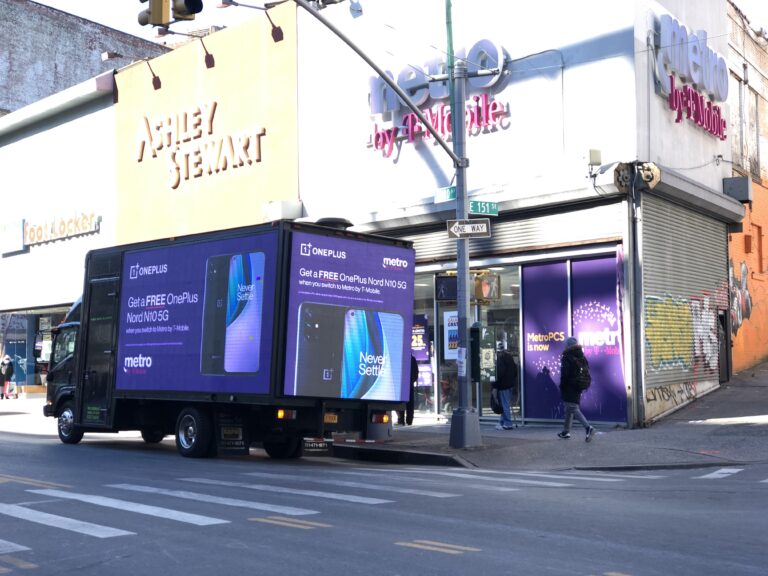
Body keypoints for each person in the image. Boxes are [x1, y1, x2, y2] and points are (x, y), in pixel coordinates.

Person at [558, 337, 596, 442]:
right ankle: (566, 432)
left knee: (572, 408)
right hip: (579, 385)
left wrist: (562, 385)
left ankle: (588, 428)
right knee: (569, 408)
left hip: (569, 386)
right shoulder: (581, 356)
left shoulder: (567, 357)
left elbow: (565, 374)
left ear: (568, 346)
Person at [493, 342, 519, 430]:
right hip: (510, 384)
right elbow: (515, 371)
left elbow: (499, 374)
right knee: (505, 403)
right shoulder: (510, 357)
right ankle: (502, 422)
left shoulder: (500, 359)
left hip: (503, 385)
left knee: (505, 404)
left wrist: (495, 385)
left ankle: (508, 423)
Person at [397, 354, 419, 426]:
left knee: (401, 403)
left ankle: (401, 420)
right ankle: (409, 420)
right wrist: (412, 380)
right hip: (409, 385)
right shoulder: (412, 359)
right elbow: (416, 373)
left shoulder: (401, 358)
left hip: (402, 384)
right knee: (410, 404)